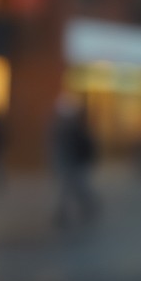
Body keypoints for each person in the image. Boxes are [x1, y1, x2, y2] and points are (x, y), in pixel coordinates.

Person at [50, 95, 99, 228]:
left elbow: (81, 146)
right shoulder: (70, 127)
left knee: (75, 187)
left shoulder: (75, 128)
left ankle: (70, 210)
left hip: (74, 162)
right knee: (71, 188)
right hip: (70, 162)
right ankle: (66, 211)